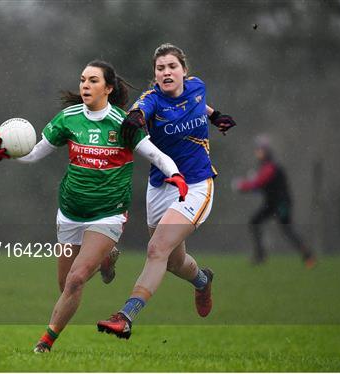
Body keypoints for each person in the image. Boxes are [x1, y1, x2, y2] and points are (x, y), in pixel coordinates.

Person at [0, 60, 187, 353]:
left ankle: (44, 344)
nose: (85, 85)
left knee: (77, 279)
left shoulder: (124, 123)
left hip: (108, 213)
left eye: (93, 81)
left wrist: (176, 175)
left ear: (108, 88)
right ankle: (106, 260)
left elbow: (156, 156)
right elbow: (34, 153)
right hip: (70, 212)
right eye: (83, 80)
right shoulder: (68, 118)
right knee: (65, 286)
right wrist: (7, 153)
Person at [97, 43, 236, 339]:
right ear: (155, 75)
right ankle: (202, 280)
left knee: (156, 249)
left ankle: (126, 316)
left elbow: (200, 103)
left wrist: (216, 116)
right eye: (160, 69)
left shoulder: (197, 87)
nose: (166, 72)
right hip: (161, 187)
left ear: (184, 71)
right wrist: (134, 119)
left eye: (172, 66)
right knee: (172, 261)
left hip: (197, 185)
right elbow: (140, 110)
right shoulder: (153, 100)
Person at [232, 135, 316, 268]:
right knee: (254, 222)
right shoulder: (265, 166)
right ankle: (260, 256)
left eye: (260, 150)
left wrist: (242, 186)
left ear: (266, 151)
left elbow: (259, 183)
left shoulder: (271, 167)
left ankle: (308, 256)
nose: (257, 152)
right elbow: (259, 185)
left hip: (281, 203)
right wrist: (248, 185)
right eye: (257, 149)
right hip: (271, 203)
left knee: (287, 229)